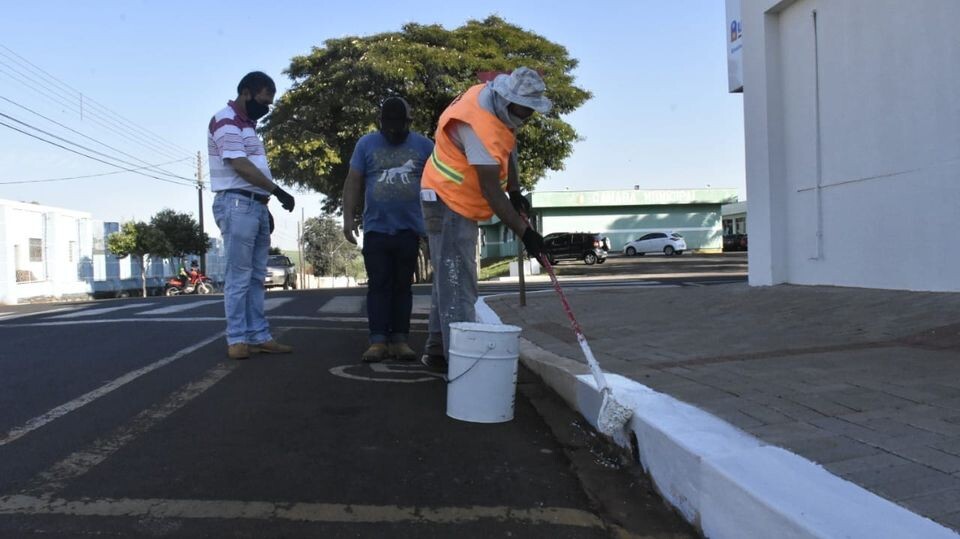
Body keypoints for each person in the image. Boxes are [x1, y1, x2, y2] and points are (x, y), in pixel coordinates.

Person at [419, 67, 549, 372]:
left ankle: (437, 351)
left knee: (448, 279)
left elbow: (509, 143)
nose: (527, 116)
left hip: (449, 195)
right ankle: (461, 370)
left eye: (531, 111)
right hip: (446, 201)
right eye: (524, 110)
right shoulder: (476, 126)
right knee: (459, 285)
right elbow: (492, 191)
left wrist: (515, 190)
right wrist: (526, 234)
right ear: (507, 101)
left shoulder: (492, 99)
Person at [208, 71, 296, 360]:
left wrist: (265, 203)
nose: (266, 107)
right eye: (263, 100)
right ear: (246, 93)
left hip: (253, 205)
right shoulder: (227, 120)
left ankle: (259, 335)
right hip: (237, 204)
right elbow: (240, 166)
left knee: (257, 277)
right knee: (240, 276)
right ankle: (237, 339)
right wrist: (277, 191)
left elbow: (250, 173)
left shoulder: (249, 126)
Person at [342, 97, 434, 362]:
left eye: (399, 125)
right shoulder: (366, 144)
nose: (393, 131)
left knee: (402, 286)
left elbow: (438, 183)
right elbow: (353, 182)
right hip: (376, 230)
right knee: (379, 285)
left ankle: (400, 340)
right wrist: (348, 219)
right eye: (388, 125)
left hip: (409, 229)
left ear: (409, 122)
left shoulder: (425, 146)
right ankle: (378, 340)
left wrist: (433, 225)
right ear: (380, 123)